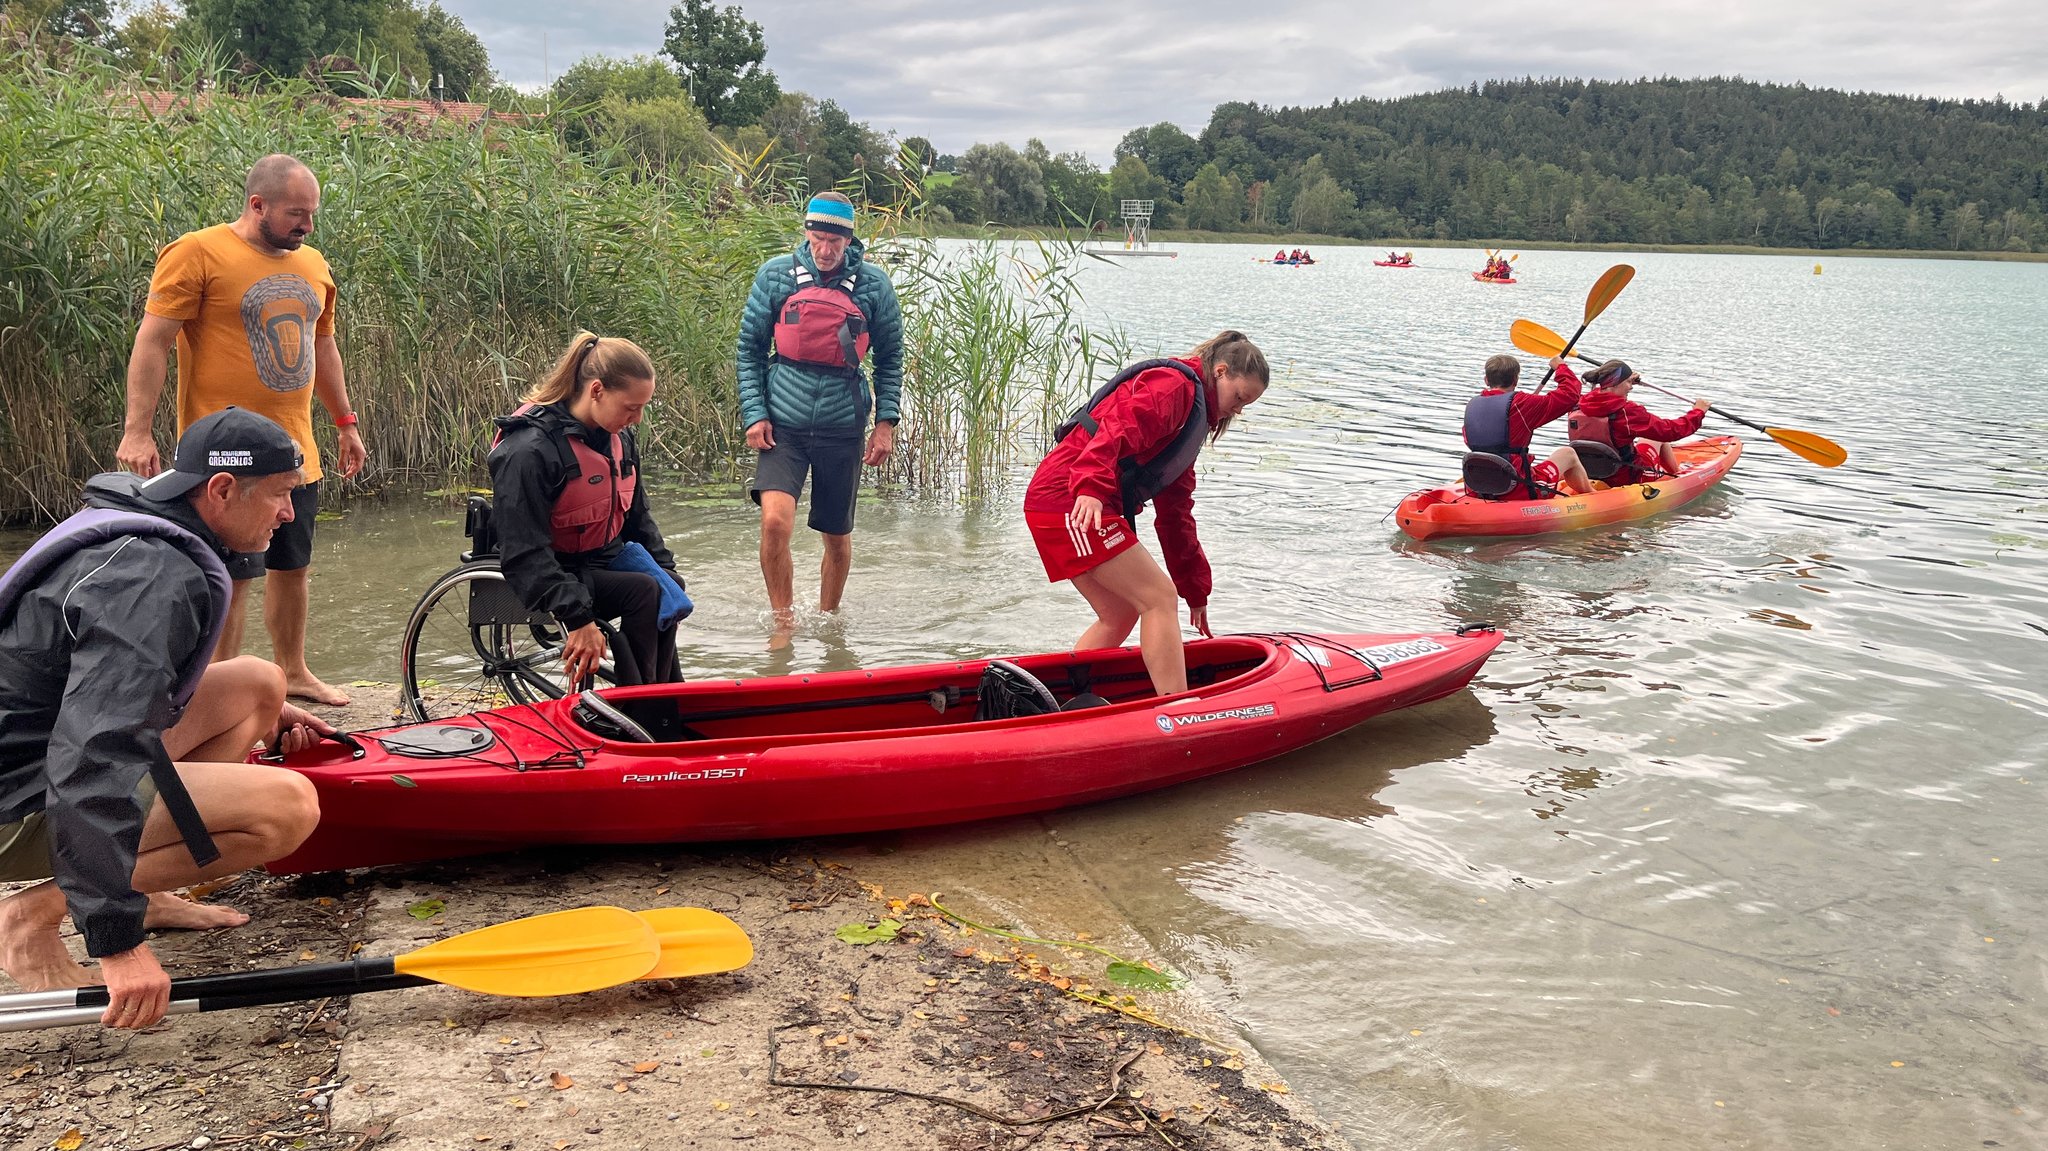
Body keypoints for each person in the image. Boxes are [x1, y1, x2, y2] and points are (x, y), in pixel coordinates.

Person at [0, 408, 327, 1028]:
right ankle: (29, 920)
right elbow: (94, 751)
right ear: (222, 490)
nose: (289, 514)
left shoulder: (143, 517)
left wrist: (271, 711)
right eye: (281, 495)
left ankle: (143, 889)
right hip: (17, 798)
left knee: (258, 684)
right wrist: (115, 941)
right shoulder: (151, 577)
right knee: (286, 808)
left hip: (32, 748)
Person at [120, 153, 366, 708]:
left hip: (294, 447)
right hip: (223, 452)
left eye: (312, 214)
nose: (306, 226)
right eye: (295, 214)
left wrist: (345, 423)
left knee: (292, 563)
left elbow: (322, 345)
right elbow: (153, 340)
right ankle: (218, 685)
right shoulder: (197, 252)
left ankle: (294, 671)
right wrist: (138, 431)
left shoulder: (313, 265)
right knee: (230, 571)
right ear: (257, 205)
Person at [1023, 331, 1270, 698]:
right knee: (1157, 598)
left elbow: (1176, 516)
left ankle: (1057, 701)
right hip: (1067, 497)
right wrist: (1090, 488)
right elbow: (1114, 431)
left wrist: (1196, 588)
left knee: (1121, 612)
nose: (1238, 409)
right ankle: (1178, 707)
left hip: (1082, 498)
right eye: (1239, 397)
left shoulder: (1191, 423)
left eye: (1246, 405)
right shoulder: (1174, 388)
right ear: (1220, 372)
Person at [735, 191, 904, 639]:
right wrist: (754, 413)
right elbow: (749, 350)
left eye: (834, 241)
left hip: (842, 424)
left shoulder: (874, 286)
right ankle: (783, 622)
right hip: (782, 422)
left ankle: (829, 622)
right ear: (806, 231)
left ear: (849, 239)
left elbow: (890, 358)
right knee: (774, 521)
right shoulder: (775, 276)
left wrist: (884, 424)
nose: (825, 250)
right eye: (818, 238)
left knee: (836, 534)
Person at [487, 333, 688, 688]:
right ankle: (638, 705)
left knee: (667, 585)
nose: (637, 419)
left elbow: (638, 517)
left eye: (643, 407)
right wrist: (577, 618)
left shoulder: (618, 439)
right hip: (549, 570)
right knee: (642, 591)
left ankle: (665, 697)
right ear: (596, 390)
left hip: (599, 558)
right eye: (630, 408)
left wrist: (664, 568)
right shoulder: (528, 450)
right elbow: (524, 552)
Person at [1463, 354, 1592, 500]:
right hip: (1518, 486)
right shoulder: (1522, 403)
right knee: (1568, 454)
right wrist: (1561, 367)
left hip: (1477, 484)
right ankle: (1592, 496)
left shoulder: (1472, 405)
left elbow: (1472, 439)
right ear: (1515, 380)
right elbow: (1570, 395)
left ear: (1486, 380)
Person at [1569, 360, 1710, 485]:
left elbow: (1604, 393)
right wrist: (1698, 412)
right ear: (1616, 383)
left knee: (1649, 437)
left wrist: (1627, 378)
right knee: (1658, 438)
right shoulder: (1626, 412)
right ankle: (1678, 477)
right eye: (1628, 383)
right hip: (1630, 476)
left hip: (1590, 472)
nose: (1631, 387)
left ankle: (1676, 474)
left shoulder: (1579, 404)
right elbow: (1670, 431)